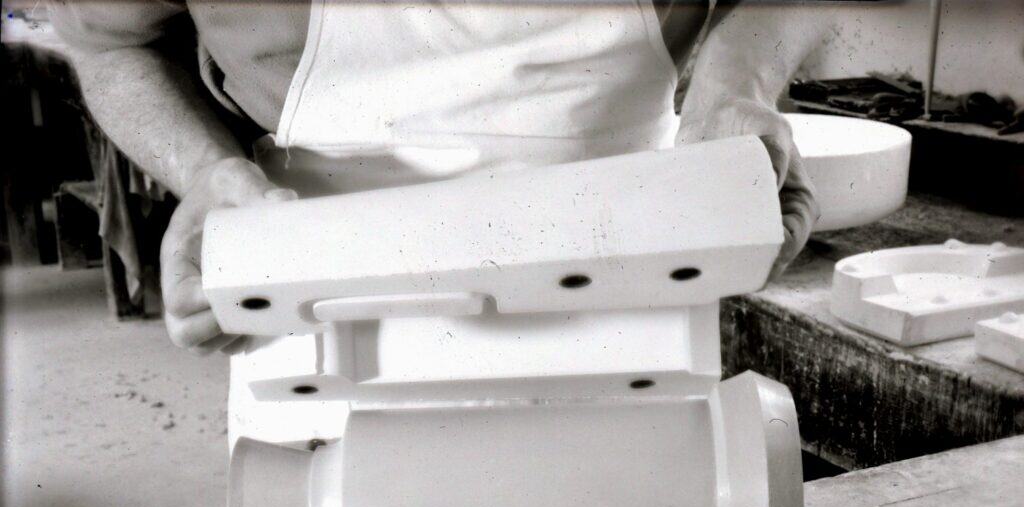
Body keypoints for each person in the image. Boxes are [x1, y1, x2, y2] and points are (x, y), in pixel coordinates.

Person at [50, 0, 828, 442]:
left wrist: (739, 85)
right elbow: (109, 44)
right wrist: (208, 176)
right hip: (314, 305)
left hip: (630, 278)